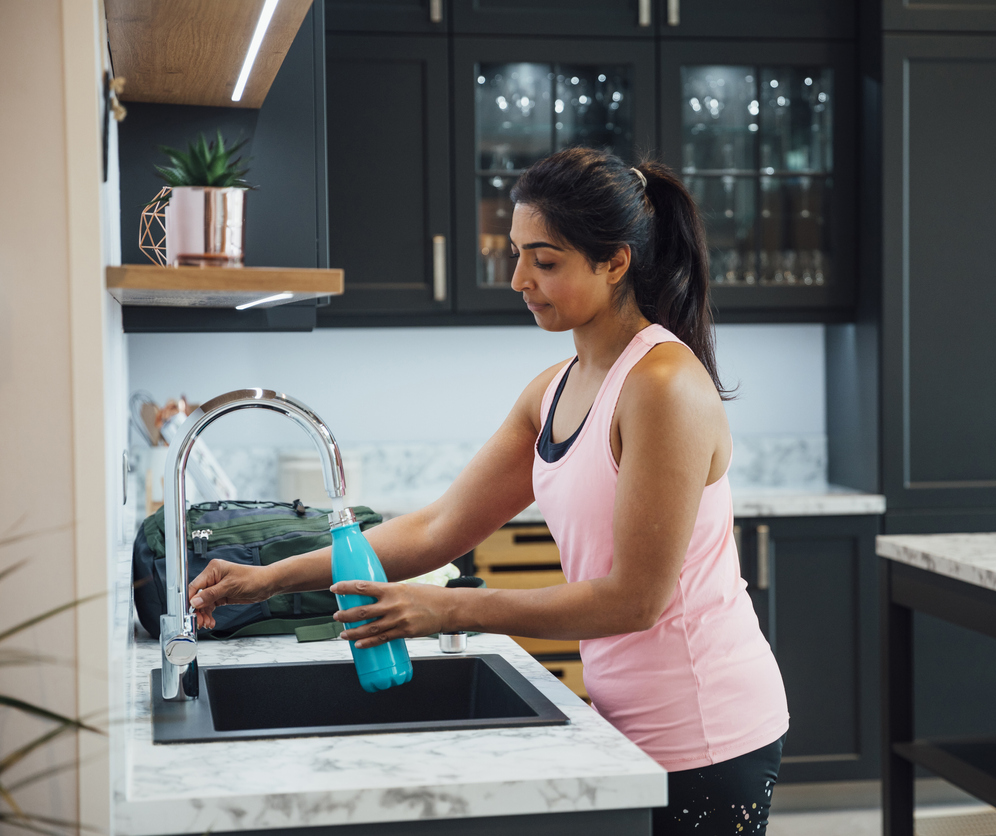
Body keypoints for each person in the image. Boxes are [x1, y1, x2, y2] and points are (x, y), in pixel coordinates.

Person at [187, 147, 790, 834]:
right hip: (625, 720)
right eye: (517, 254)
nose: (518, 279)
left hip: (708, 730)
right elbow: (439, 526)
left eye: (546, 260)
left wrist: (452, 612)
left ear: (615, 262)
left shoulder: (664, 387)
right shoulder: (553, 390)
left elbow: (638, 598)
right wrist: (269, 579)